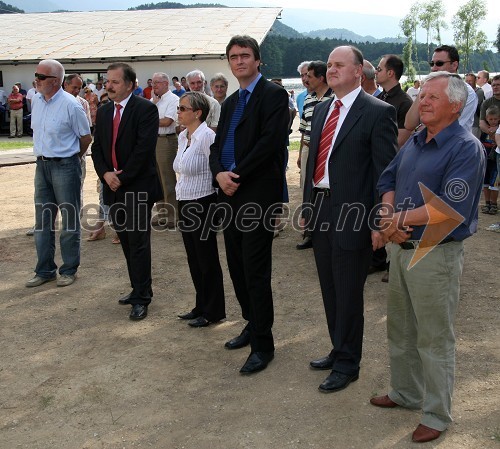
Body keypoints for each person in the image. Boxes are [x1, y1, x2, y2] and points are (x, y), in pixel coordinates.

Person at [371, 71, 485, 444]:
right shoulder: (417, 139)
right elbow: (387, 179)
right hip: (400, 249)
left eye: (432, 97)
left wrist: (395, 221)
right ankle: (406, 392)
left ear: (454, 105)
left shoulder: (466, 148)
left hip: (436, 254)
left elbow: (450, 207)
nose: (423, 102)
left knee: (434, 338)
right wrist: (388, 220)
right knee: (401, 328)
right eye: (422, 96)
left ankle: (436, 414)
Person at [301, 45, 397, 393]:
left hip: (354, 214)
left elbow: (384, 173)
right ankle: (338, 347)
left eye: (339, 64)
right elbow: (316, 162)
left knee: (348, 290)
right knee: (329, 287)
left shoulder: (378, 112)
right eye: (328, 64)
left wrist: (378, 221)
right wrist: (308, 207)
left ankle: (348, 363)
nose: (331, 69)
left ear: (359, 71)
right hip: (322, 208)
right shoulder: (324, 106)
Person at [209, 35, 289, 374]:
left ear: (258, 60)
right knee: (237, 264)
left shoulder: (273, 95)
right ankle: (250, 322)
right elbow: (216, 145)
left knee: (255, 269)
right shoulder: (228, 103)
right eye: (233, 57)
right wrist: (218, 174)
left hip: (255, 193)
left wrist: (235, 174)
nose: (239, 61)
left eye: (245, 55)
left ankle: (263, 344)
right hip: (229, 193)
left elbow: (269, 144)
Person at [91, 62, 161, 321]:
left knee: (139, 243)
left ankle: (142, 298)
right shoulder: (105, 110)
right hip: (112, 187)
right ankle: (137, 288)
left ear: (130, 84)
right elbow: (97, 148)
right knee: (126, 242)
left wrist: (122, 177)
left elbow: (144, 149)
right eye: (107, 81)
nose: (108, 85)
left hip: (137, 188)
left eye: (115, 82)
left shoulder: (146, 109)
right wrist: (106, 175)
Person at [27, 59, 92, 288]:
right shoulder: (37, 100)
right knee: (43, 221)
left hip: (65, 165)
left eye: (41, 76)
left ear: (55, 81)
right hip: (42, 166)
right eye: (36, 75)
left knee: (69, 220)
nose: (36, 79)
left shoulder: (70, 105)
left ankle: (69, 269)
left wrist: (73, 159)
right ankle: (44, 270)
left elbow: (86, 137)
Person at [174, 92, 226, 327]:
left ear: (198, 113)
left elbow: (216, 168)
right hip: (184, 200)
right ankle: (201, 304)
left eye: (183, 108)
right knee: (193, 257)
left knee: (206, 258)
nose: (179, 112)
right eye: (179, 108)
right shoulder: (183, 136)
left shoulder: (207, 136)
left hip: (203, 202)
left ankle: (214, 310)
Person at [296, 60, 334, 251]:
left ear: (321, 78)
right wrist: (301, 153)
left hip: (325, 150)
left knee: (323, 191)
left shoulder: (334, 98)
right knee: (307, 190)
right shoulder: (309, 99)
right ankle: (309, 232)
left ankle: (324, 230)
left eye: (309, 76)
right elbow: (304, 129)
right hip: (308, 148)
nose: (305, 80)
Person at [405, 45, 477, 133]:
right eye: (432, 64)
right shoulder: (427, 89)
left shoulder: (467, 92)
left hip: (455, 145)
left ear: (454, 65)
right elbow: (409, 124)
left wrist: (421, 128)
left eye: (439, 63)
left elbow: (447, 128)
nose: (434, 68)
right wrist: (423, 90)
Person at [151, 72, 179, 228]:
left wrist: (149, 118)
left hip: (166, 140)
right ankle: (161, 212)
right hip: (153, 140)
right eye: (153, 82)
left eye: (157, 82)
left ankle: (173, 214)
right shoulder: (154, 100)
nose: (154, 85)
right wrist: (153, 105)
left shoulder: (173, 99)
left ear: (166, 83)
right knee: (156, 179)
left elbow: (167, 121)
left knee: (167, 178)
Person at [480, 105, 500, 215]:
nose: (493, 121)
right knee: (486, 181)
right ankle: (487, 203)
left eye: (495, 119)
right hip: (486, 159)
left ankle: (494, 204)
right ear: (487, 118)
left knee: (494, 182)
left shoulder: (498, 131)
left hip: (495, 160)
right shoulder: (485, 131)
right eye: (491, 119)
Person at [465, 72, 485, 138]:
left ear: (475, 81)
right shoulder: (465, 92)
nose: (468, 83)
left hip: (475, 124)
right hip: (465, 123)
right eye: (466, 81)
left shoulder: (479, 92)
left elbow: (471, 105)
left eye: (470, 81)